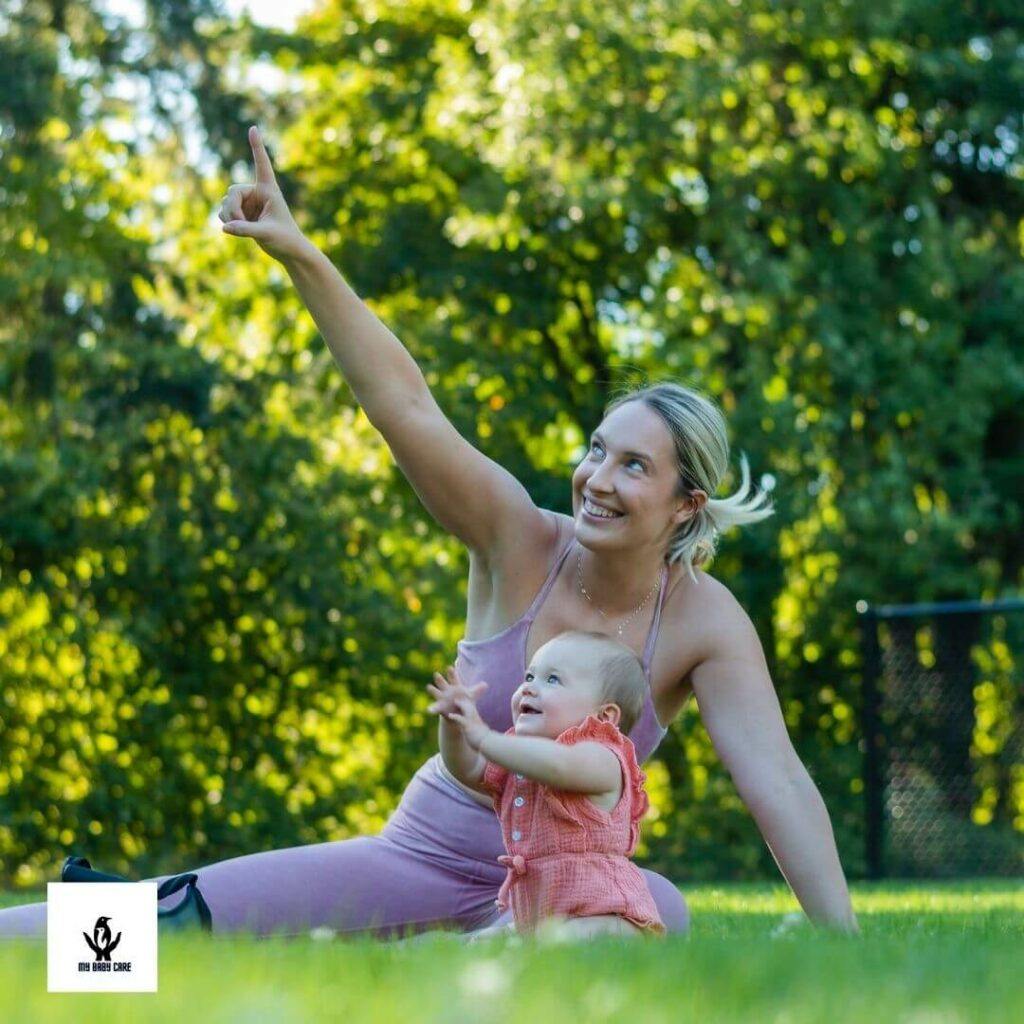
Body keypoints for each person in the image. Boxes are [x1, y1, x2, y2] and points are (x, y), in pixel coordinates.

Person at [0, 126, 858, 939]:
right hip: (414, 861)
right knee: (159, 932)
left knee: (661, 907)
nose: (597, 478)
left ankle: (437, 960)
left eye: (635, 466)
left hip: (556, 892)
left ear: (687, 504)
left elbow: (775, 777)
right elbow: (404, 406)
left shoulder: (705, 620)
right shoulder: (518, 535)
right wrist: (300, 253)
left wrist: (841, 939)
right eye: (598, 451)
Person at [428, 631, 666, 938]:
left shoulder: (604, 757)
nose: (529, 687)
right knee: (481, 942)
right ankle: (406, 951)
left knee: (564, 941)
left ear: (605, 715)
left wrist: (484, 737)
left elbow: (558, 764)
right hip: (542, 923)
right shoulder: (521, 760)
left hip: (610, 918)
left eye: (552, 680)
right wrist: (453, 725)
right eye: (529, 676)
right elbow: (468, 768)